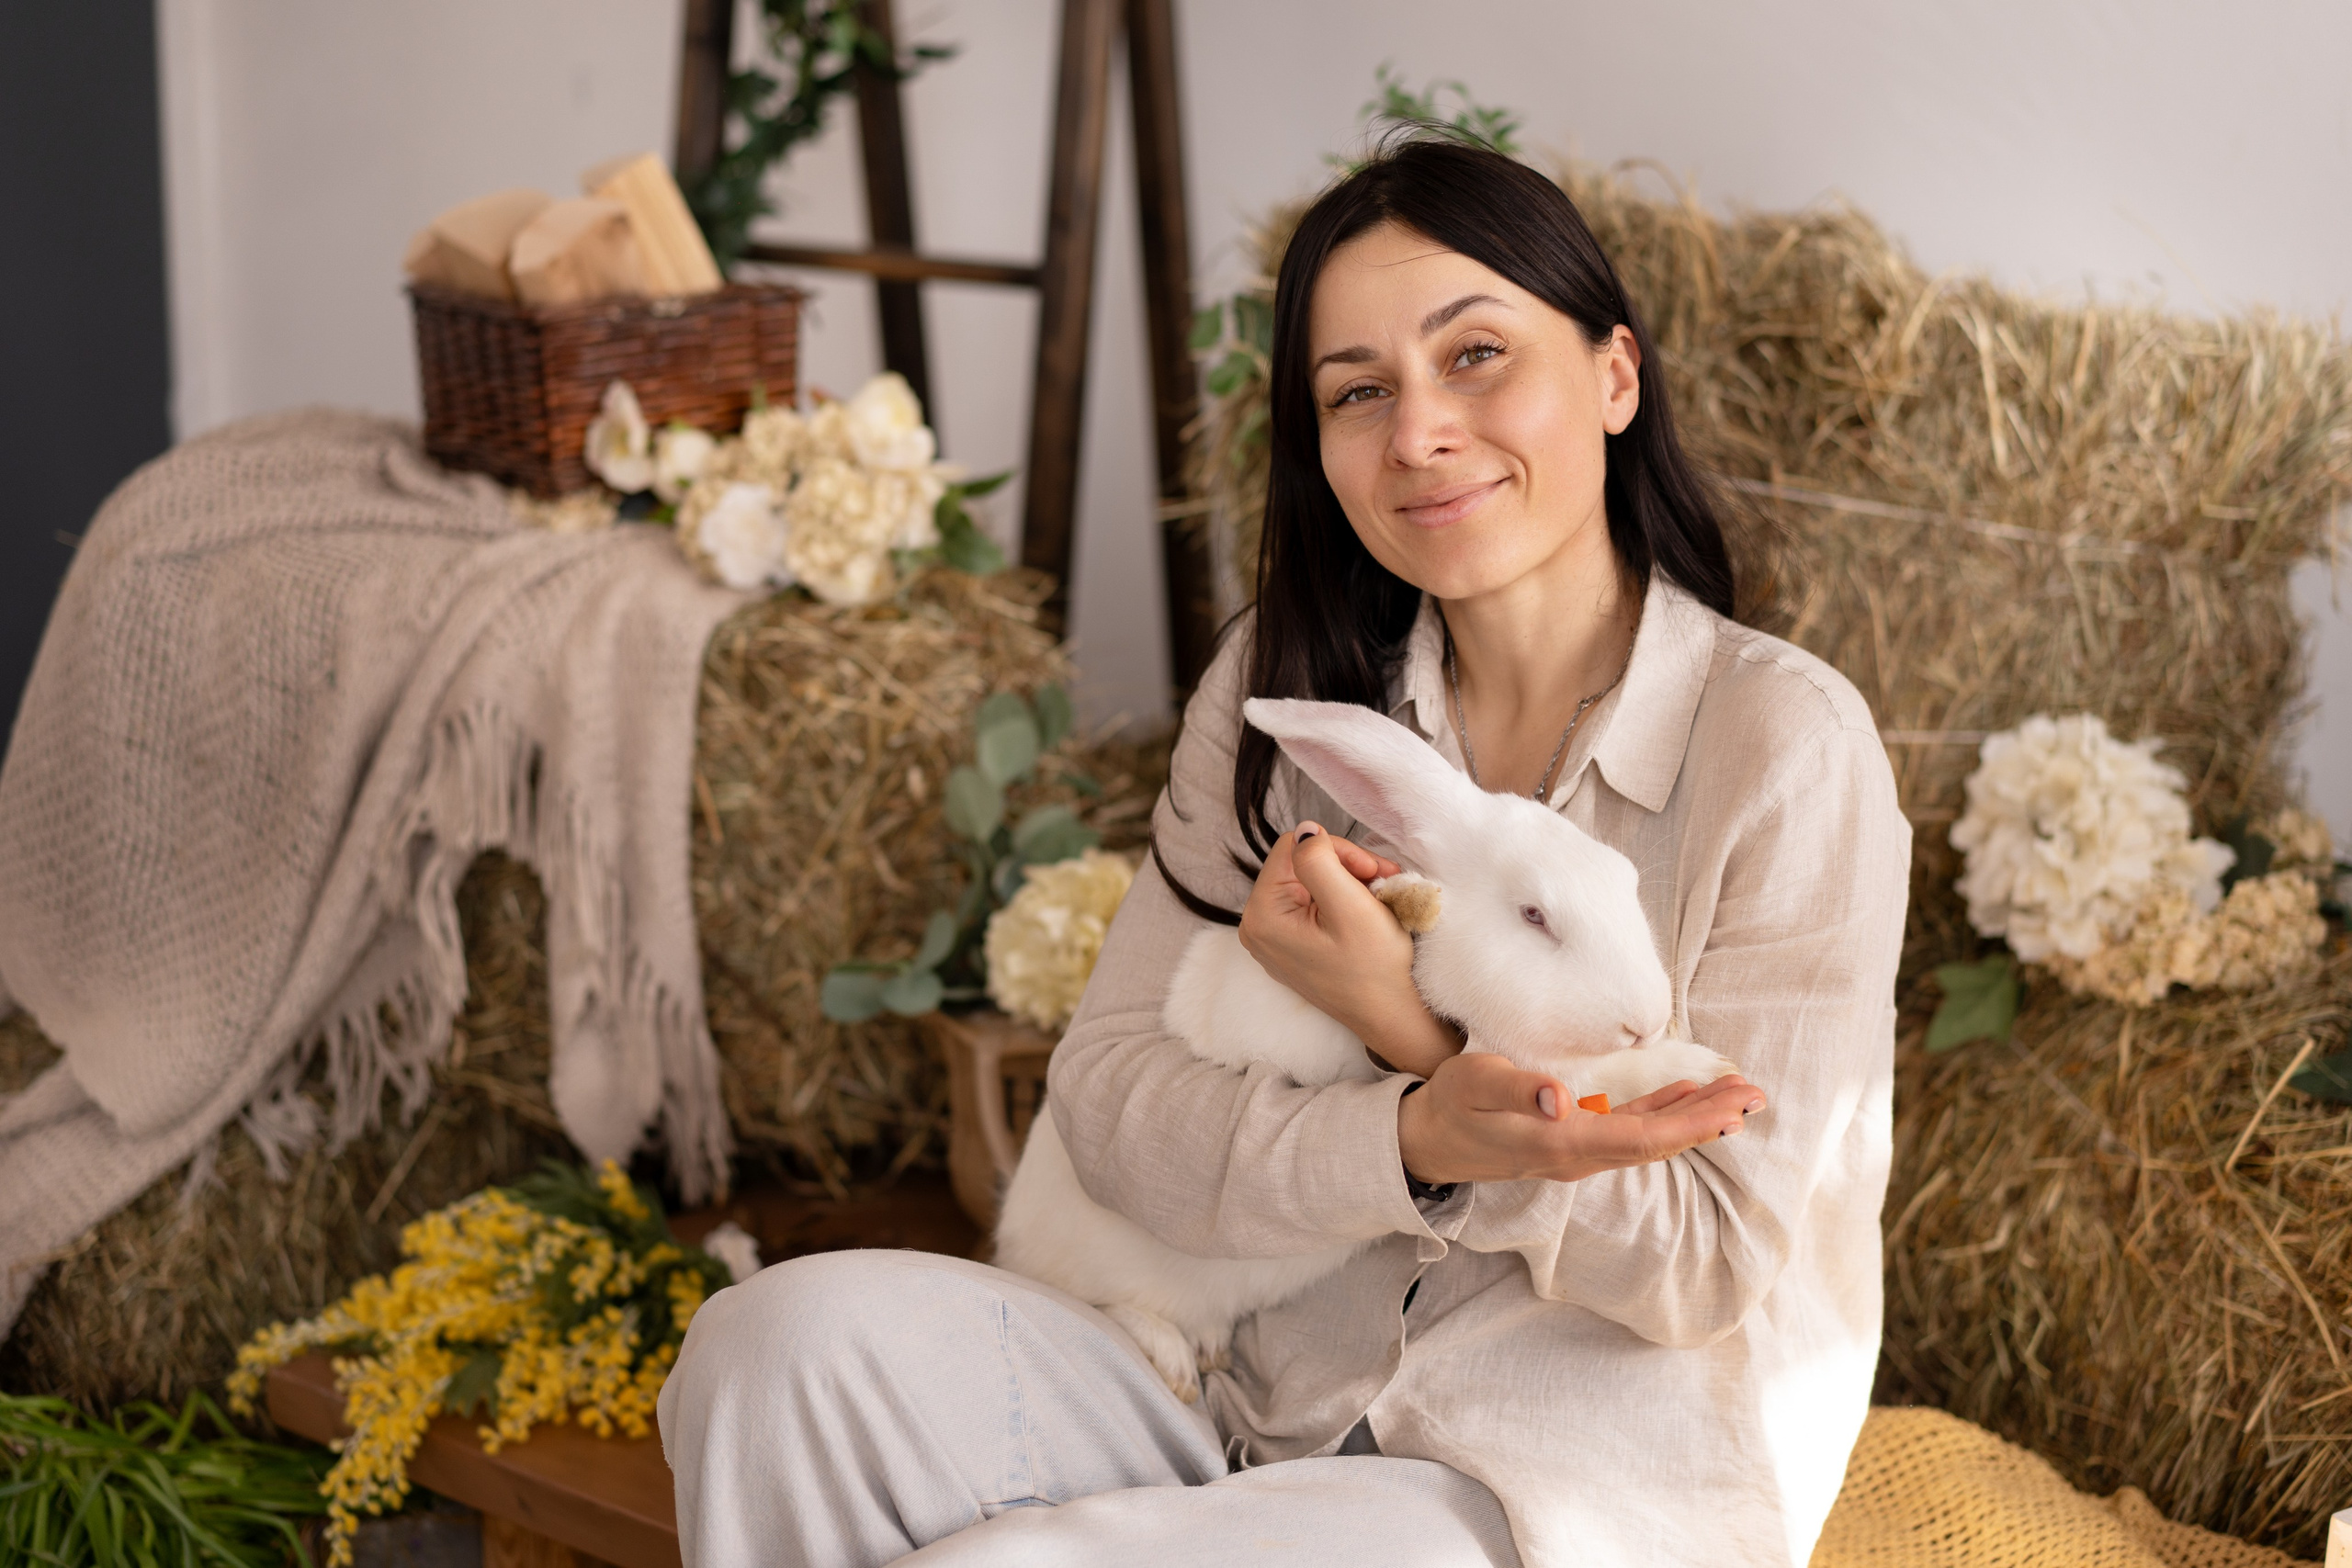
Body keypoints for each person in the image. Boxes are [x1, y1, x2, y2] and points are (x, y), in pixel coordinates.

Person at [659, 134, 1909, 1568]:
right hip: (1241, 1403)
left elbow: (1707, 1262)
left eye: (1478, 355)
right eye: (1358, 391)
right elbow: (1113, 1097)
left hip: (1549, 1490)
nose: (1418, 432)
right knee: (773, 1350)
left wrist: (1417, 1054)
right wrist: (1390, 1146)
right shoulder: (1299, 690)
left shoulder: (1785, 748)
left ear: (1616, 377)